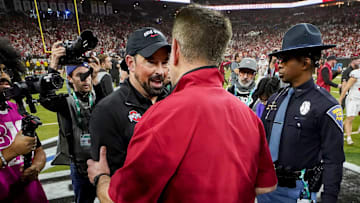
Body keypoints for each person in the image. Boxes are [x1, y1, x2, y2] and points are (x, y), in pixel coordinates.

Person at [87, 5, 277, 202]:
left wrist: (101, 178)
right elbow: (265, 186)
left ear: (175, 50)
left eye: (164, 60)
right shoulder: (249, 117)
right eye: (152, 61)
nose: (161, 70)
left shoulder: (161, 116)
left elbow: (121, 198)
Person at [257, 23, 345, 203]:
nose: (279, 64)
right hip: (265, 187)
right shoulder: (275, 99)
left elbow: (333, 161)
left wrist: (329, 199)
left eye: (285, 59)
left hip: (297, 192)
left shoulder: (326, 106)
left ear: (305, 63)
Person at [89, 27, 170, 176]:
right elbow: (112, 182)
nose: (160, 71)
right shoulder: (107, 111)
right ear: (130, 63)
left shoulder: (175, 102)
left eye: (164, 63)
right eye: (151, 62)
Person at [39, 41, 108, 203]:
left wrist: (96, 77)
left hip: (102, 162)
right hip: (79, 166)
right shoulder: (66, 102)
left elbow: (107, 106)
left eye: (88, 75)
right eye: (80, 76)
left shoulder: (97, 97)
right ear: (69, 78)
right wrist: (53, 66)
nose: (86, 80)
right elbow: (46, 98)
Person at [0, 37, 47, 202]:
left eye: (7, 71)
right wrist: (11, 152)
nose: (5, 76)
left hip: (33, 196)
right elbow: (15, 150)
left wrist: (36, 167)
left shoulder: (16, 109)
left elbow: (39, 151)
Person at [338, 61, 360, 145]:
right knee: (350, 118)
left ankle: (339, 128)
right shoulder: (356, 74)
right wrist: (340, 99)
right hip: (353, 98)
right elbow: (347, 87)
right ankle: (349, 138)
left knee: (352, 118)